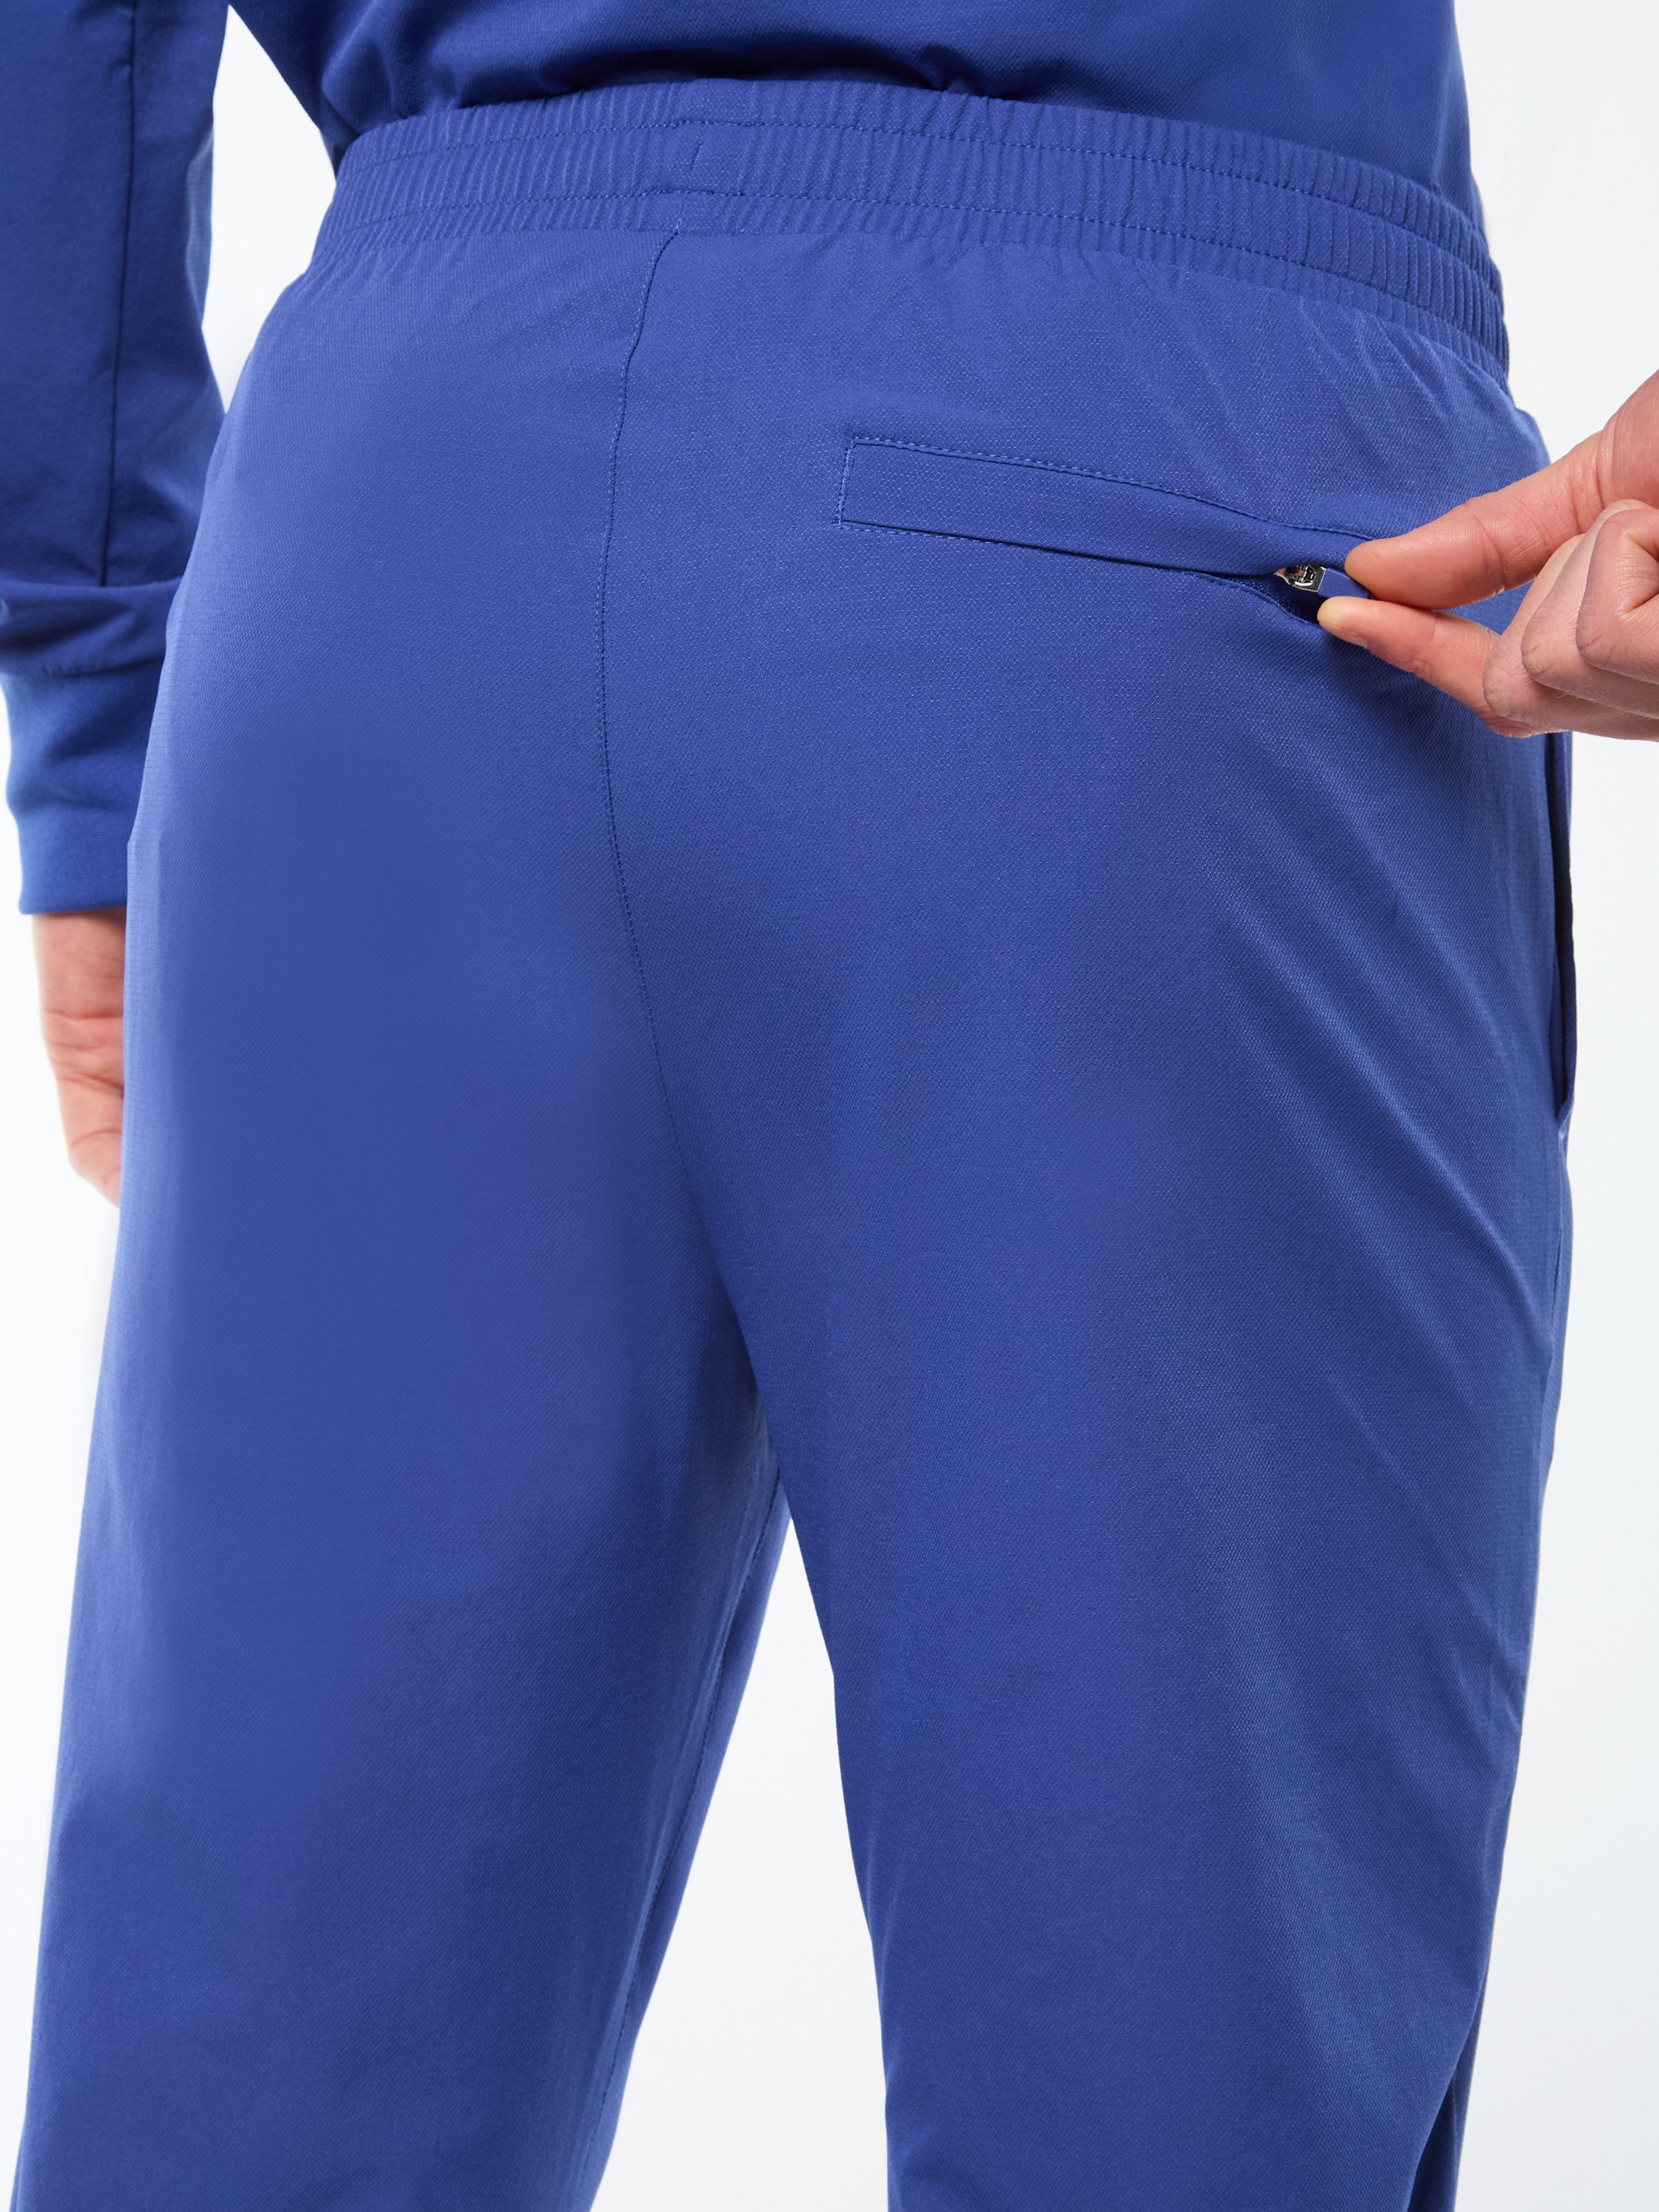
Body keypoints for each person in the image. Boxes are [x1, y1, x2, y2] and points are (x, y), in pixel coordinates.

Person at [1, 7, 1651, 2210]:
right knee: (1166, 2095)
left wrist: (101, 698)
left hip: (394, 532)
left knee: (250, 2104)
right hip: (1139, 512)